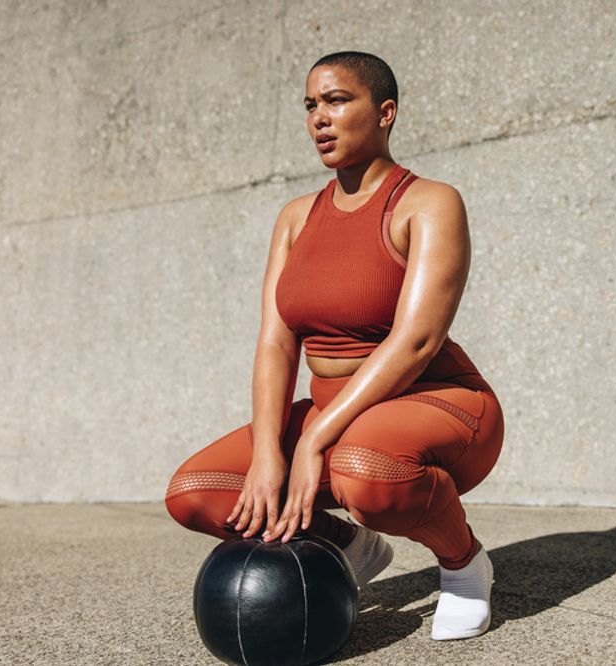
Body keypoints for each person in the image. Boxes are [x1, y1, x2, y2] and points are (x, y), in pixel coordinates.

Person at [164, 50, 505, 642]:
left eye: (338, 100)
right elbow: (275, 341)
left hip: (439, 404)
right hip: (338, 417)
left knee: (363, 471)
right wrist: (271, 449)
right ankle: (354, 545)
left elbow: (417, 341)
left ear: (385, 112)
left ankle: (465, 564)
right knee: (196, 493)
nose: (320, 117)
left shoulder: (428, 202)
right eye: (310, 105)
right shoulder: (297, 217)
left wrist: (316, 438)